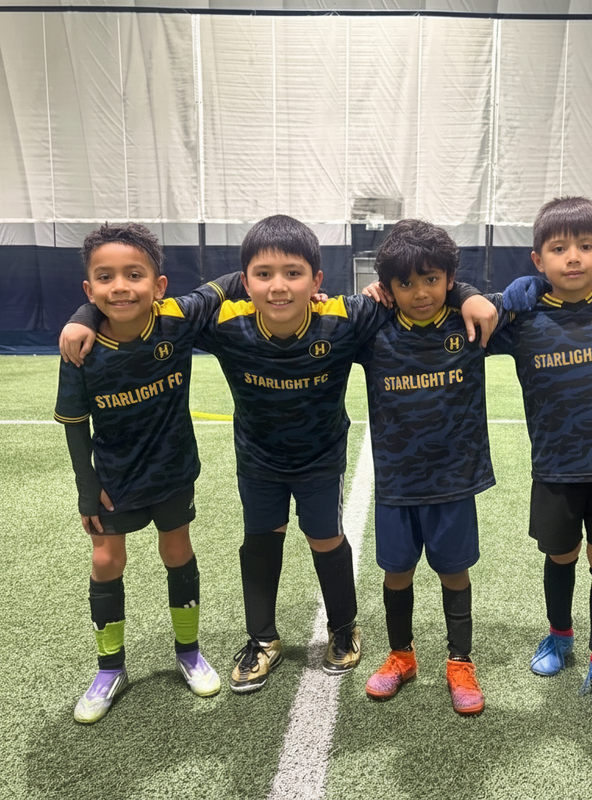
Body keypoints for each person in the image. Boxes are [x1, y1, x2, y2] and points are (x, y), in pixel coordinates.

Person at [61, 215, 498, 696]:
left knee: (325, 539)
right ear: (244, 284)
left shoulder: (347, 317)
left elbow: (424, 283)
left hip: (320, 460)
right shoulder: (223, 321)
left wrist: (467, 293)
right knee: (261, 541)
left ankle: (343, 628)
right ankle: (262, 639)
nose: (278, 287)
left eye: (293, 273)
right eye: (263, 275)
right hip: (259, 461)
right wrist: (84, 314)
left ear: (317, 282)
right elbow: (140, 309)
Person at [55, 223, 227, 723]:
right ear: (89, 290)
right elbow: (75, 426)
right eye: (104, 278)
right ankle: (110, 668)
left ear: (159, 285)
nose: (120, 286)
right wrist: (88, 494)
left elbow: (233, 282)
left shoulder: (175, 322)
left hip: (173, 470)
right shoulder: (80, 350)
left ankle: (189, 652)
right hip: (113, 481)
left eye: (134, 274)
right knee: (107, 562)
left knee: (177, 551)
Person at [496, 197, 592, 713]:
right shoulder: (519, 317)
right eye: (558, 248)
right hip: (557, 468)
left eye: (585, 247)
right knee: (559, 555)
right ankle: (559, 636)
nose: (573, 258)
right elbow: (462, 313)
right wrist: (503, 295)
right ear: (537, 259)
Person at [356, 219, 509, 716]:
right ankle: (401, 656)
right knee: (396, 572)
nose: (420, 292)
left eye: (432, 279)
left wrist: (468, 294)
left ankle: (459, 660)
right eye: (405, 283)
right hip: (398, 483)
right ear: (388, 286)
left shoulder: (469, 323)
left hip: (453, 480)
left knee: (453, 572)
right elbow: (324, 316)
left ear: (449, 277)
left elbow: (532, 297)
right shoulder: (373, 326)